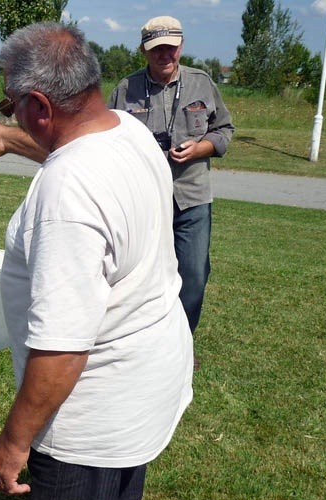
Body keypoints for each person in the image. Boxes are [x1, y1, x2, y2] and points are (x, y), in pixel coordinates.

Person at [0, 22, 193, 500]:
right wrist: (6, 135)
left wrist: (13, 442)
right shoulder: (125, 128)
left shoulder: (67, 192)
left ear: (42, 105)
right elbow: (70, 147)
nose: (13, 114)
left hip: (91, 415)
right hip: (145, 386)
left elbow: (62, 346)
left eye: (13, 104)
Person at [108, 16, 234, 336]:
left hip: (191, 196)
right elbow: (107, 139)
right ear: (143, 51)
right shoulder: (126, 89)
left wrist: (200, 148)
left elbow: (224, 130)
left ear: (181, 46)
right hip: (144, 200)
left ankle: (181, 340)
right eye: (157, 50)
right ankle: (144, 339)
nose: (165, 56)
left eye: (171, 48)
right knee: (140, 273)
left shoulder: (202, 82)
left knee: (193, 273)